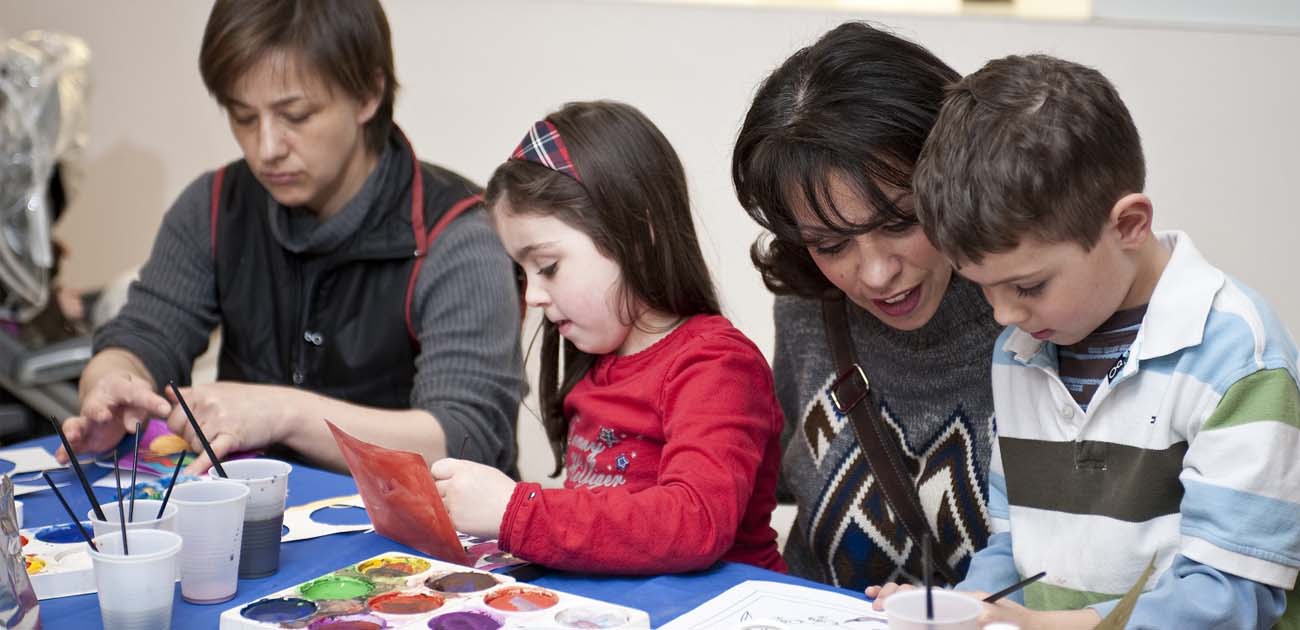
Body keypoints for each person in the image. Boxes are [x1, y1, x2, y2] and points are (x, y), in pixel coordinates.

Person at [872, 54, 1300, 628]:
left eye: (1027, 285)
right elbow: (1018, 550)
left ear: (1127, 225)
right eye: (984, 290)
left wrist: (1043, 626)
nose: (1002, 315)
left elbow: (1232, 598)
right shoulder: (1022, 349)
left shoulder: (1236, 360)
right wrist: (964, 608)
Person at [54, 0, 524, 475]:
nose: (267, 149)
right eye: (243, 117)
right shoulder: (215, 205)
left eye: (295, 116)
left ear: (368, 94)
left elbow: (464, 439)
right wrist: (111, 381)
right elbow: (143, 336)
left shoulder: (458, 234)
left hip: (424, 540)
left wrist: (282, 414)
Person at [430, 101, 786, 574]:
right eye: (523, 273)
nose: (533, 295)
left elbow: (694, 522)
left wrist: (516, 510)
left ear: (638, 233)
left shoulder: (715, 365)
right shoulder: (596, 360)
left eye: (549, 267)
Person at [731, 22, 1003, 590]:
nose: (876, 274)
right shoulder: (812, 308)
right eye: (831, 244)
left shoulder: (1038, 313)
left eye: (901, 221)